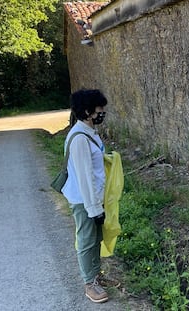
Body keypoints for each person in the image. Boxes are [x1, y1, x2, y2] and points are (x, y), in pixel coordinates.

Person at [61, 89, 109, 303]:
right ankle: (89, 284)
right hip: (84, 200)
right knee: (87, 240)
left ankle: (96, 275)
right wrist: (94, 209)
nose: (102, 113)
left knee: (97, 238)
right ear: (88, 111)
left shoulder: (89, 133)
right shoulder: (80, 138)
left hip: (94, 198)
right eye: (100, 110)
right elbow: (84, 177)